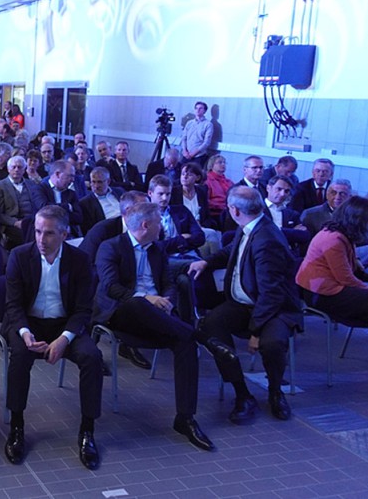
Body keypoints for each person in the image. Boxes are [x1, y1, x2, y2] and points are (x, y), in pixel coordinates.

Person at [94, 201, 228, 452]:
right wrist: (148, 299)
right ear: (146, 225)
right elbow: (111, 287)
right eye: (159, 222)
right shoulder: (110, 247)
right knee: (139, 304)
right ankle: (203, 337)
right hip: (123, 313)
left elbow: (168, 282)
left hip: (159, 315)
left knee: (184, 343)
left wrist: (166, 301)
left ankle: (185, 418)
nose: (163, 227)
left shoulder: (157, 249)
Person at [188, 186, 302, 425]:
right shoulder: (250, 226)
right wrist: (206, 262)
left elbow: (271, 294)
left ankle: (275, 392)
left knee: (272, 343)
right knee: (209, 326)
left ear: (234, 210)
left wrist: (256, 331)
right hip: (246, 302)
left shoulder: (267, 239)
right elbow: (233, 250)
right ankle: (242, 393)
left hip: (275, 308)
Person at [2, 205, 103, 468]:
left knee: (92, 357)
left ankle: (87, 430)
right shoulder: (19, 255)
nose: (40, 239)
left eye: (48, 234)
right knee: (20, 357)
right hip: (27, 323)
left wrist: (65, 338)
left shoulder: (79, 260)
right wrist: (24, 333)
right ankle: (16, 427)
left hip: (65, 324)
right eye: (36, 232)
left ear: (64, 234)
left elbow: (83, 309)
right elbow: (12, 305)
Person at [296, 197, 368, 321]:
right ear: (357, 220)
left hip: (328, 289)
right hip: (320, 295)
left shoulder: (341, 233)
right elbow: (345, 278)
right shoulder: (333, 240)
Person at [0, 155, 46, 247]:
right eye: (14, 167)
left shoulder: (31, 184)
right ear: (8, 169)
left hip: (32, 220)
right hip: (12, 223)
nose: (16, 170)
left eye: (20, 167)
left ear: (24, 169)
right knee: (27, 236)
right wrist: (14, 222)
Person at [78, 166, 124, 235]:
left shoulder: (119, 192)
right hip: (110, 232)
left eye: (99, 182)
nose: (96, 186)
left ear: (108, 181)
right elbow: (90, 230)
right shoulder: (85, 203)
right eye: (93, 182)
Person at [180, 101, 213, 167]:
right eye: (196, 108)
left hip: (198, 156)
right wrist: (184, 151)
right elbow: (184, 138)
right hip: (186, 155)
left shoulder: (208, 124)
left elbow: (206, 142)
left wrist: (193, 154)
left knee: (196, 175)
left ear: (204, 111)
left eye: (200, 108)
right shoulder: (189, 123)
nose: (198, 110)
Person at [204, 154, 232, 224]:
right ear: (212, 165)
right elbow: (205, 201)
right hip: (216, 213)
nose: (223, 164)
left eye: (224, 162)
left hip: (230, 210)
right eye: (220, 162)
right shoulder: (207, 181)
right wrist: (222, 206)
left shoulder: (229, 182)